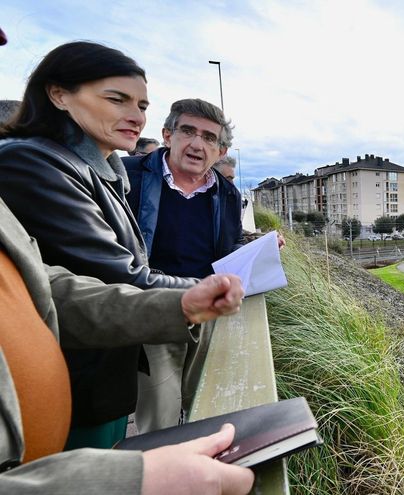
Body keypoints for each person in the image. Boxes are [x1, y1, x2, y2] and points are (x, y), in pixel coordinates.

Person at [0, 41, 199, 449]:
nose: (136, 116)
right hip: (68, 385)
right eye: (117, 99)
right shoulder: (33, 163)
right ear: (58, 94)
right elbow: (117, 274)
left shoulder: (98, 170)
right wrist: (210, 291)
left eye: (143, 105)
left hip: (99, 378)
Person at [0, 196, 253, 495]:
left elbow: (44, 287)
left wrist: (177, 306)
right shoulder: (33, 161)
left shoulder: (224, 192)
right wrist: (129, 482)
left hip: (51, 456)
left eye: (214, 144)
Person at [122, 98, 244, 432]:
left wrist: (256, 248)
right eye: (188, 131)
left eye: (209, 138)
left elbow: (228, 244)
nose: (196, 144)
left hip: (207, 312)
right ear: (167, 135)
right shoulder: (127, 176)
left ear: (220, 151)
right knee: (159, 408)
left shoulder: (227, 193)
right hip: (154, 307)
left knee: (199, 399)